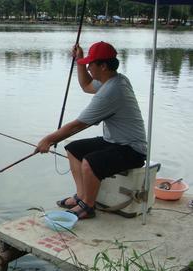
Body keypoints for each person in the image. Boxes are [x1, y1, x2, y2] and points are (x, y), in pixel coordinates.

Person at [35, 41, 147, 219]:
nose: (87, 68)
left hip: (132, 150)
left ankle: (88, 206)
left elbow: (78, 125)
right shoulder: (113, 79)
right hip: (114, 142)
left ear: (103, 66)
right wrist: (79, 60)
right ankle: (81, 196)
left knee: (90, 161)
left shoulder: (112, 91)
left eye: (90, 64)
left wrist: (48, 139)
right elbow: (86, 86)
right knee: (74, 149)